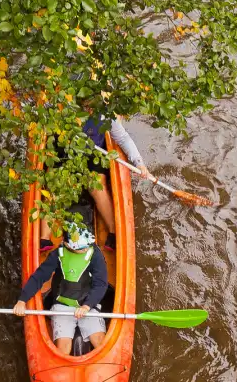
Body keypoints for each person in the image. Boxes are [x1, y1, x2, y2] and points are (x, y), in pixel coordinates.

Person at [38, 113, 149, 252]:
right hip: (64, 151)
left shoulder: (104, 111)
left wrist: (139, 163)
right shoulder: (64, 104)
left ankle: (114, 232)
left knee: (96, 185)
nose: (89, 107)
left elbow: (122, 137)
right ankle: (44, 239)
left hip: (93, 153)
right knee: (55, 186)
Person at [15, 223, 109, 354]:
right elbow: (39, 277)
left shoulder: (95, 254)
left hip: (88, 305)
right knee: (63, 348)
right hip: (62, 305)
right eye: (81, 247)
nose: (85, 249)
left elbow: (101, 284)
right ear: (67, 244)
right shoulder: (58, 254)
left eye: (86, 245)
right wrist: (22, 300)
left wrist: (87, 305)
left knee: (99, 341)